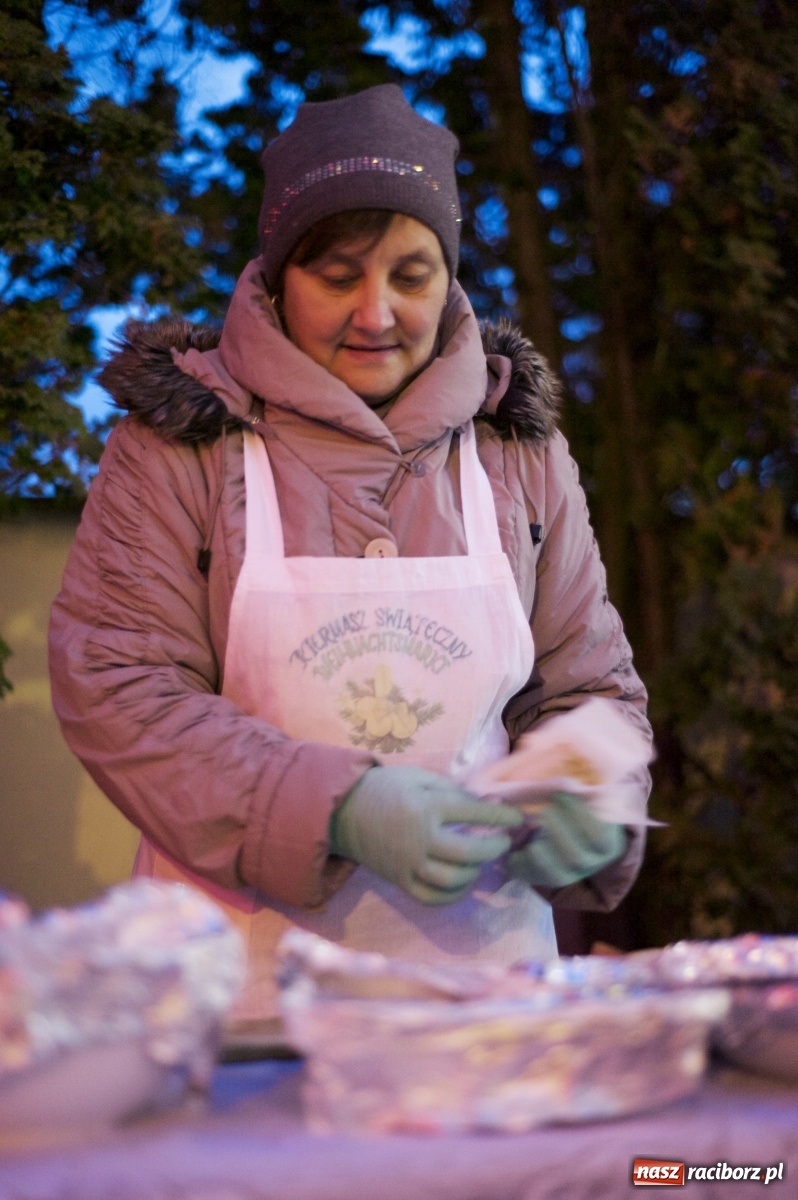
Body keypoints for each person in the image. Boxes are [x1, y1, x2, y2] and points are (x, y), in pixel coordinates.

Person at [49, 84, 652, 1019]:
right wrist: (333, 809)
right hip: (241, 1006)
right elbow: (120, 689)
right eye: (338, 273)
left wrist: (590, 792)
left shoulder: (516, 452)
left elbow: (592, 688)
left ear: (446, 279)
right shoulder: (182, 447)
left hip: (485, 1003)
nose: (377, 313)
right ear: (280, 274)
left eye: (411, 275)